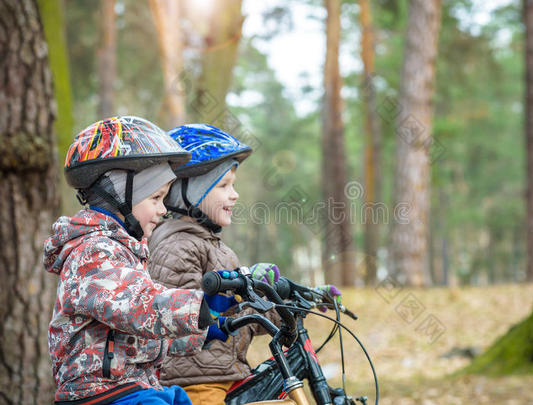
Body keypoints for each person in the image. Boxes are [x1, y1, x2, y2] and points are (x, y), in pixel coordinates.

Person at [147, 123, 342, 405]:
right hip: (197, 386)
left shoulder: (216, 248)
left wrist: (292, 299)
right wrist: (246, 301)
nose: (234, 194)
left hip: (225, 375)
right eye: (223, 185)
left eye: (233, 185)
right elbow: (188, 322)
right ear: (188, 192)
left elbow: (247, 320)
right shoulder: (177, 247)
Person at [43, 116, 217, 405]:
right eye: (156, 198)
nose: (163, 209)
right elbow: (139, 306)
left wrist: (210, 330)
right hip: (97, 394)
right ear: (119, 195)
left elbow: (138, 338)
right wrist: (199, 305)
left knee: (177, 399)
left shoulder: (126, 251)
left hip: (134, 387)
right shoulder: (93, 251)